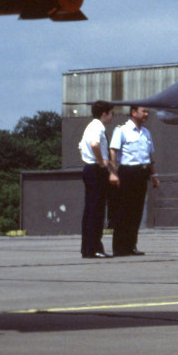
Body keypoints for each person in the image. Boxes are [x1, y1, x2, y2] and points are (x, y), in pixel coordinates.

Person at [109, 105, 159, 256]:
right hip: (127, 173)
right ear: (133, 112)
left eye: (147, 111)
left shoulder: (146, 132)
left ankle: (131, 246)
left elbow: (150, 157)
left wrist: (154, 175)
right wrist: (113, 172)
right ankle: (119, 248)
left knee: (136, 212)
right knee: (123, 211)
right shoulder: (121, 130)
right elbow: (113, 150)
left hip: (142, 173)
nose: (146, 114)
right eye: (144, 111)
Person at [78, 100, 114, 259]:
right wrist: (101, 161)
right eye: (111, 113)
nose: (113, 116)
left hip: (89, 168)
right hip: (96, 169)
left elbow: (81, 147)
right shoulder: (98, 126)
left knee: (90, 210)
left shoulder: (90, 127)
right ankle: (94, 248)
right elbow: (94, 144)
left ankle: (88, 248)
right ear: (104, 114)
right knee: (97, 211)